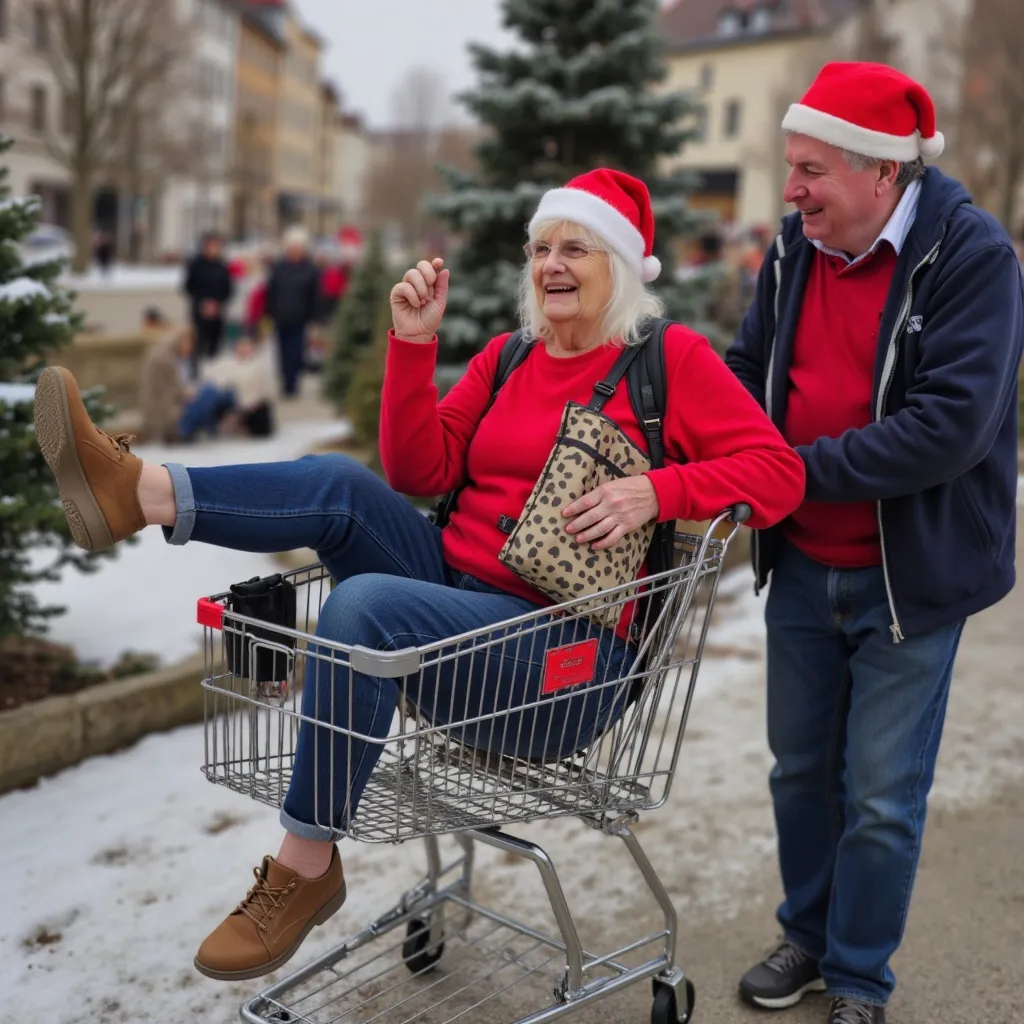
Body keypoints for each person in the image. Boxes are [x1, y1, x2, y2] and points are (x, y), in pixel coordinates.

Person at [33, 167, 807, 983]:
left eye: (575, 247)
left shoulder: (669, 361)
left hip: (559, 667)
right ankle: (143, 492)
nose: (550, 264)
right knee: (341, 484)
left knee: (366, 608)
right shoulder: (509, 359)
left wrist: (660, 488)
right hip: (452, 613)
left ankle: (303, 868)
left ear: (618, 263)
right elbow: (413, 468)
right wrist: (412, 346)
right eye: (540, 247)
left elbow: (778, 474)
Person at [725, 62, 1023, 1024]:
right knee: (801, 773)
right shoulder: (793, 248)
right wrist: (701, 440)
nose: (793, 188)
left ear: (884, 174)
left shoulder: (972, 256)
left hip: (910, 578)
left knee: (882, 796)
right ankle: (807, 940)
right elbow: (745, 367)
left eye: (811, 169)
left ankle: (858, 977)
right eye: (792, 166)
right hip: (804, 565)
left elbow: (951, 427)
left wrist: (793, 472)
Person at [265, 225, 321, 397]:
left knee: (296, 353)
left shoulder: (310, 270)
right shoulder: (279, 268)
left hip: (300, 318)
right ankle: (286, 383)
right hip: (281, 317)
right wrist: (269, 313)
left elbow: (315, 295)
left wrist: (315, 318)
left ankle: (294, 384)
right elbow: (271, 291)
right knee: (282, 353)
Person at [137, 312, 194, 445]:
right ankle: (184, 432)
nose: (191, 346)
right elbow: (175, 391)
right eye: (188, 341)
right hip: (165, 412)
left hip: (159, 407)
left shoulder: (162, 353)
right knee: (208, 394)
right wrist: (190, 394)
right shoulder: (166, 359)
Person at [183, 231, 234, 376]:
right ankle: (195, 374)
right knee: (197, 345)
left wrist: (218, 303)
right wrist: (203, 302)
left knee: (215, 346)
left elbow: (228, 288)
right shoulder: (196, 265)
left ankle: (213, 373)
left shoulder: (222, 266)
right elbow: (188, 287)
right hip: (199, 312)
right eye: (210, 245)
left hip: (217, 313)